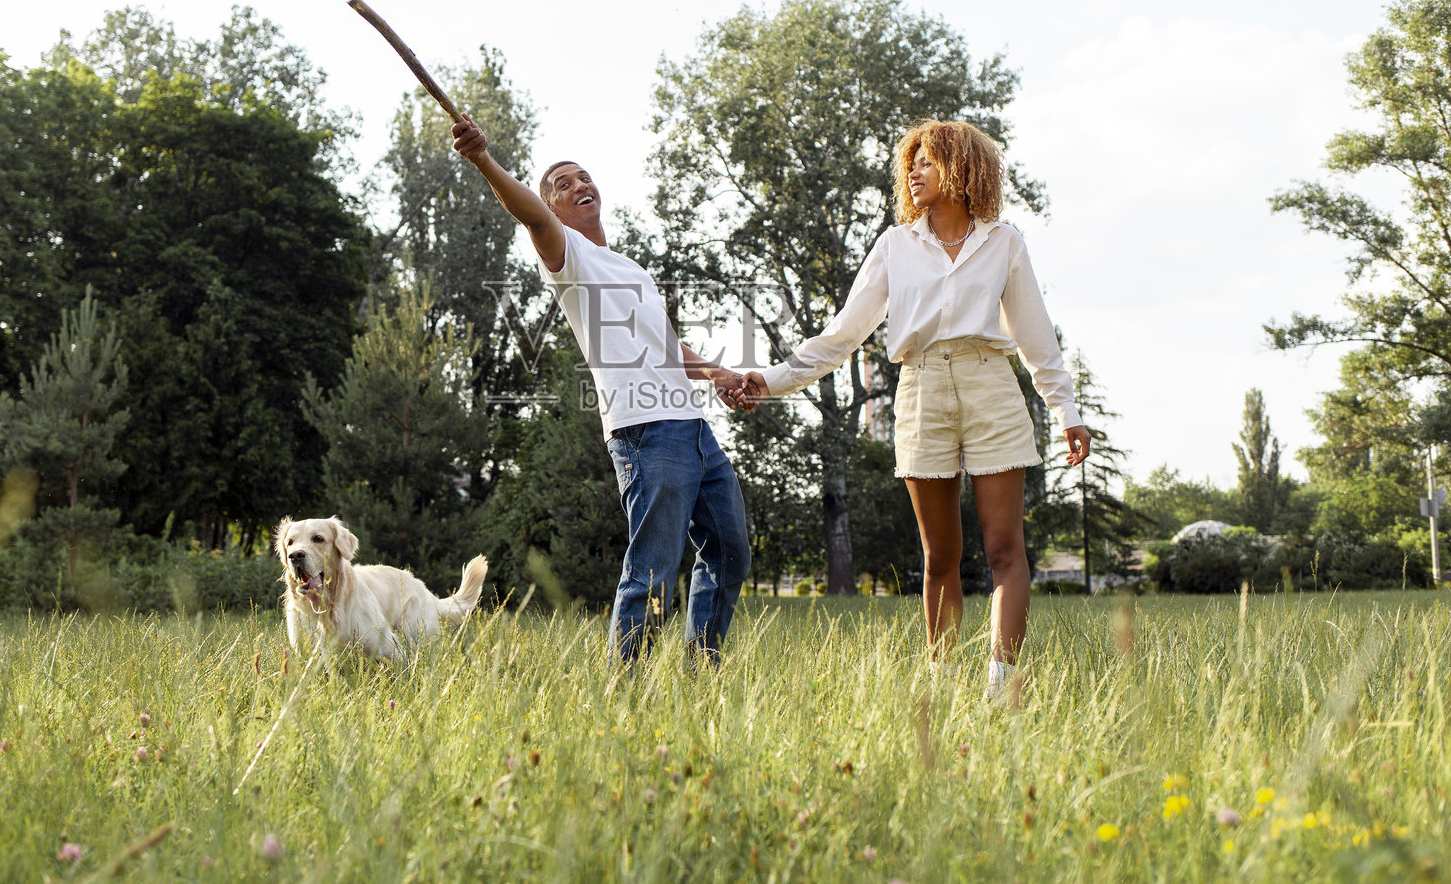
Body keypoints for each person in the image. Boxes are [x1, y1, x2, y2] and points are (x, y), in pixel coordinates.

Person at [739, 118, 1091, 700]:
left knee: (1006, 550)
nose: (915, 171)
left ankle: (1001, 689)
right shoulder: (895, 247)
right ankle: (943, 683)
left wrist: (1067, 412)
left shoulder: (1004, 241)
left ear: (961, 166)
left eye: (928, 160)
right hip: (921, 390)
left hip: (991, 387)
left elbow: (1037, 338)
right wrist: (769, 381)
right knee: (939, 556)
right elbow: (840, 336)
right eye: (913, 162)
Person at [450, 114, 752, 666]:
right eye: (562, 184)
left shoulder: (630, 268)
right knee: (654, 572)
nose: (578, 185)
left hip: (693, 429)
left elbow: (666, 347)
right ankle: (627, 689)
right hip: (645, 433)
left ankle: (701, 667)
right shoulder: (566, 255)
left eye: (583, 177)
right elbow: (528, 212)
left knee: (731, 554)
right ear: (553, 207)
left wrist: (720, 374)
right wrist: (484, 161)